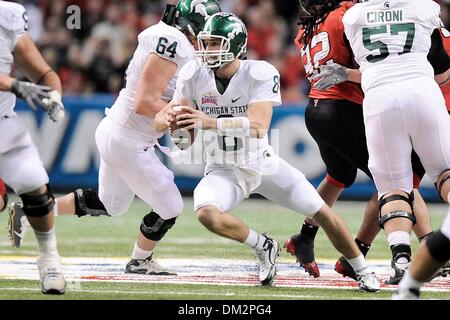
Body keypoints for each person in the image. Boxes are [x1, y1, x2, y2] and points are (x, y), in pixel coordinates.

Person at [8, 0, 223, 275]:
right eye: (203, 32)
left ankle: (31, 212)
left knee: (112, 204)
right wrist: (188, 113)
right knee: (171, 205)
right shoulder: (173, 42)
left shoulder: (169, 37)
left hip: (120, 132)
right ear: (189, 24)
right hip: (128, 138)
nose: (205, 40)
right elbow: (144, 103)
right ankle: (140, 261)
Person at [169, 11, 380, 291]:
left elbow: (258, 126)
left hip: (262, 163)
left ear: (236, 45)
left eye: (216, 43)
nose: (208, 50)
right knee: (206, 212)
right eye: (206, 43)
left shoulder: (259, 72)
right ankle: (263, 245)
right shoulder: (192, 75)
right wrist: (178, 129)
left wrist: (206, 121)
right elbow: (184, 138)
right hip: (222, 169)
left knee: (322, 214)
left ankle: (363, 271)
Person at [285, 0, 434, 284]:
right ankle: (420, 251)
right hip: (343, 108)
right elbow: (376, 64)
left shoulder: (306, 28)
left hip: (316, 109)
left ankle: (305, 236)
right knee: (396, 183)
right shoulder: (347, 15)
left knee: (340, 175)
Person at [341, 0, 450, 297]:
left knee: (392, 188)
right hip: (421, 89)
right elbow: (440, 60)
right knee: (445, 172)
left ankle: (401, 260)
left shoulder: (353, 15)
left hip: (379, 97)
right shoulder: (424, 7)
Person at [0, 0, 66, 294]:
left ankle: (50, 259)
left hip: (2, 122)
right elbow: (19, 83)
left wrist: (55, 96)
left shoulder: (8, 16)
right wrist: (15, 85)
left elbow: (43, 73)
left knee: (33, 181)